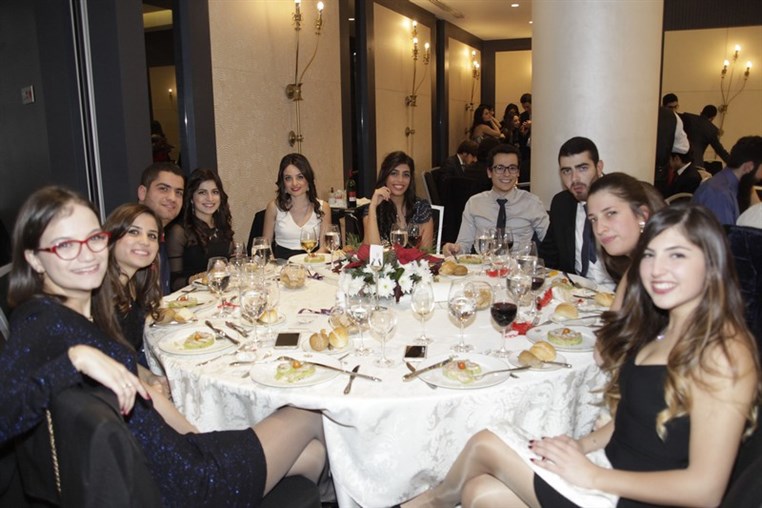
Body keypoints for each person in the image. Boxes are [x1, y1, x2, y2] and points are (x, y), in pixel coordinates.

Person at [403, 204, 759, 508]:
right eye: (650, 255)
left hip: (634, 495)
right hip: (610, 469)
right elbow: (632, 419)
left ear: (712, 263)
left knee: (486, 443)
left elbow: (706, 491)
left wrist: (592, 476)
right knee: (480, 492)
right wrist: (580, 445)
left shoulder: (725, 350)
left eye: (677, 255)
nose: (657, 269)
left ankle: (428, 503)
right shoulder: (662, 327)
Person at [0, 186, 327, 506]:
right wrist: (73, 360)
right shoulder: (40, 318)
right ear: (34, 259)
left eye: (94, 238)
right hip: (179, 483)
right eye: (65, 245)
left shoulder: (84, 314)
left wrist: (194, 436)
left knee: (313, 454)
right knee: (309, 415)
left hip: (172, 456)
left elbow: (142, 392)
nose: (86, 254)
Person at [103, 203, 169, 396]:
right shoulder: (101, 296)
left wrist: (150, 377)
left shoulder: (133, 287)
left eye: (152, 236)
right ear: (112, 237)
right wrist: (146, 385)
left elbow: (121, 358)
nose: (145, 241)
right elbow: (105, 365)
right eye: (134, 232)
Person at [443, 144, 548, 256]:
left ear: (518, 172)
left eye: (512, 168)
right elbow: (464, 245)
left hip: (518, 265)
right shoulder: (474, 203)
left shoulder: (532, 204)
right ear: (489, 172)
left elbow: (552, 242)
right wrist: (454, 249)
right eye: (500, 168)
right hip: (484, 265)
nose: (506, 174)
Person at [539, 137, 613, 288]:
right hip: (574, 292)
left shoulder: (622, 202)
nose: (574, 178)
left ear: (599, 167)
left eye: (582, 168)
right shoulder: (562, 204)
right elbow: (547, 256)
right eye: (567, 171)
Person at [587, 173, 666, 310]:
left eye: (611, 213)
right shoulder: (634, 267)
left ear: (642, 216)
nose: (599, 229)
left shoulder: (664, 272)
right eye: (594, 219)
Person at [167, 168, 235, 290]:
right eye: (202, 192)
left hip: (220, 292)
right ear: (191, 198)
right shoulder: (179, 232)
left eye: (215, 192)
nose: (210, 198)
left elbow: (231, 263)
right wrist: (197, 278)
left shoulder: (222, 226)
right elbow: (173, 283)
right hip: (191, 297)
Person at [262, 153, 331, 259]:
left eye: (300, 177)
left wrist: (307, 262)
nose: (294, 183)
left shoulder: (323, 207)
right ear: (283, 183)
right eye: (288, 178)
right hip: (282, 266)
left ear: (308, 180)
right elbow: (265, 246)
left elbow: (325, 246)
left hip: (312, 263)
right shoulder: (273, 207)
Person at [362, 151, 434, 249]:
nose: (400, 180)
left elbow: (426, 253)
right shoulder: (372, 209)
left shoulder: (421, 208)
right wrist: (373, 206)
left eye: (406, 175)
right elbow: (372, 251)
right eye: (394, 173)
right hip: (383, 259)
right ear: (385, 176)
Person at [137, 161, 185, 294]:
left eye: (178, 192)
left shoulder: (160, 236)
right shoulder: (129, 240)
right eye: (163, 189)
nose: (172, 198)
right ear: (142, 192)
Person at [692, 135, 762, 225]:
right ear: (748, 167)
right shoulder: (720, 194)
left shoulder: (728, 185)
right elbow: (725, 233)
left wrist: (749, 185)